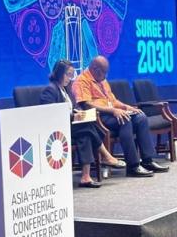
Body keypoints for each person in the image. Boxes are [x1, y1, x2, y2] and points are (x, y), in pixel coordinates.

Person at [72, 56, 169, 177]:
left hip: (112, 113)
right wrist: (113, 110)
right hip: (98, 117)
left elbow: (113, 100)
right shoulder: (82, 81)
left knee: (140, 117)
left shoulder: (102, 80)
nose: (105, 76)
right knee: (125, 120)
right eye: (104, 73)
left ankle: (148, 161)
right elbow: (86, 105)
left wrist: (127, 108)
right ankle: (133, 166)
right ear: (96, 69)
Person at [40, 60, 126, 188]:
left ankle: (86, 177)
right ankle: (106, 155)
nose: (70, 78)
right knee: (87, 126)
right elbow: (49, 115)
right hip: (57, 129)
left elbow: (74, 107)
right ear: (59, 73)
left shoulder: (66, 89)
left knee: (85, 134)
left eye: (71, 75)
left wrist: (78, 113)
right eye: (68, 75)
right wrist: (73, 116)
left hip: (71, 126)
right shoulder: (50, 90)